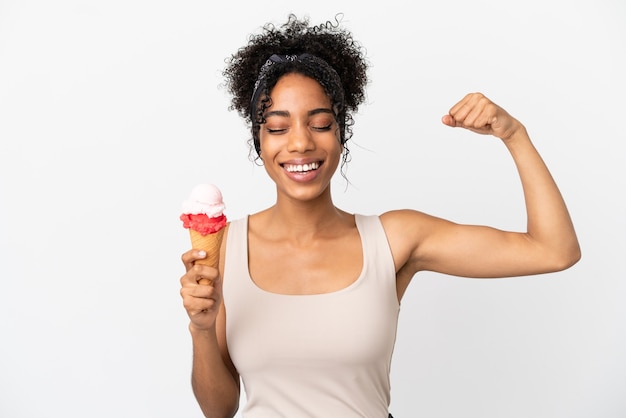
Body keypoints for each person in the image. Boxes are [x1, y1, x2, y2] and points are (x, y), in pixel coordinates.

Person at [179, 14, 581, 418]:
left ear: (341, 132)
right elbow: (219, 410)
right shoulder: (226, 247)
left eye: (320, 123)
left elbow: (553, 250)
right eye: (278, 128)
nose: (300, 142)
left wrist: (514, 135)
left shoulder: (394, 239)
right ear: (259, 141)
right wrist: (201, 328)